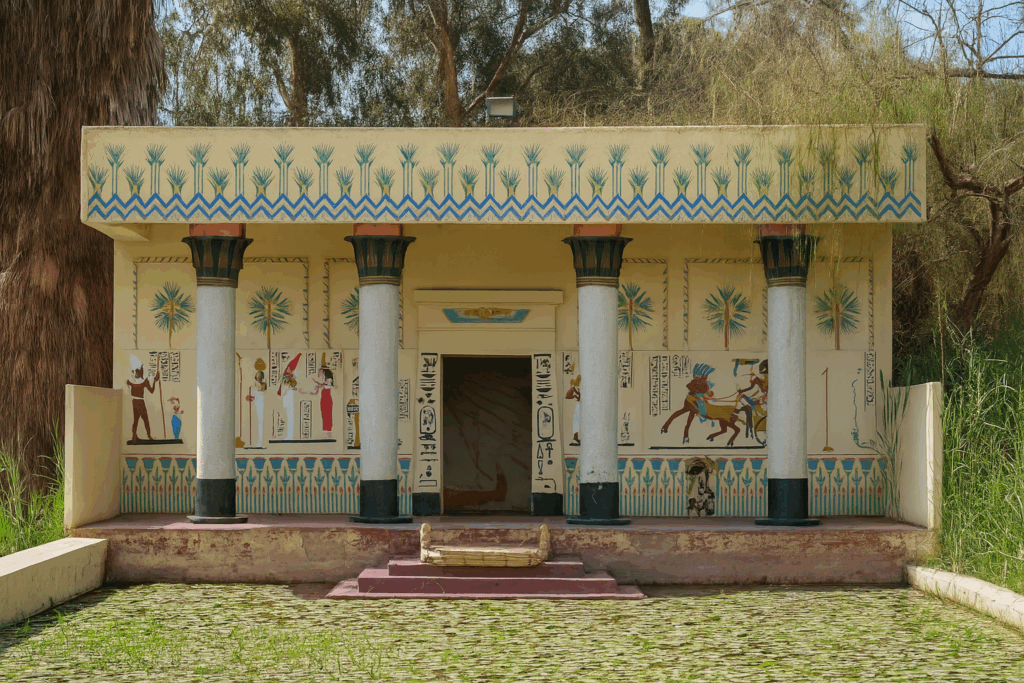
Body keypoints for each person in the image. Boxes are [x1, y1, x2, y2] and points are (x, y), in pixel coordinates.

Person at [126, 354, 159, 442]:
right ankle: (148, 436)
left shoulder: (131, 381)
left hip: (134, 402)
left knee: (136, 420)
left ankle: (134, 437)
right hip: (140, 402)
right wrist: (155, 381)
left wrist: (153, 379)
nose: (141, 371)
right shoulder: (144, 381)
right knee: (145, 420)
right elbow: (151, 391)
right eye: (140, 369)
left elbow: (130, 383)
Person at [278, 354, 302, 440]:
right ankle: (288, 435)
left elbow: (295, 383)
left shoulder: (292, 375)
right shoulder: (285, 375)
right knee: (286, 417)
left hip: (290, 398)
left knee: (290, 417)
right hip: (286, 398)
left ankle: (290, 436)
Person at [312, 353, 334, 438]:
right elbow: (320, 385)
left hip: (327, 398)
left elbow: (324, 384)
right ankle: (325, 430)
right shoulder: (324, 381)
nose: (320, 373)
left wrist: (317, 383)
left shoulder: (329, 379)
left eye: (321, 372)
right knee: (323, 413)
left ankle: (328, 430)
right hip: (323, 397)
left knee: (327, 414)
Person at [251, 358, 267, 448]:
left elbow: (262, 390)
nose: (258, 377)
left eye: (260, 376)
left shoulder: (263, 385)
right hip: (256, 404)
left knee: (260, 422)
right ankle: (257, 441)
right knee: (256, 422)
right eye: (257, 375)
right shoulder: (254, 385)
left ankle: (261, 442)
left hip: (261, 404)